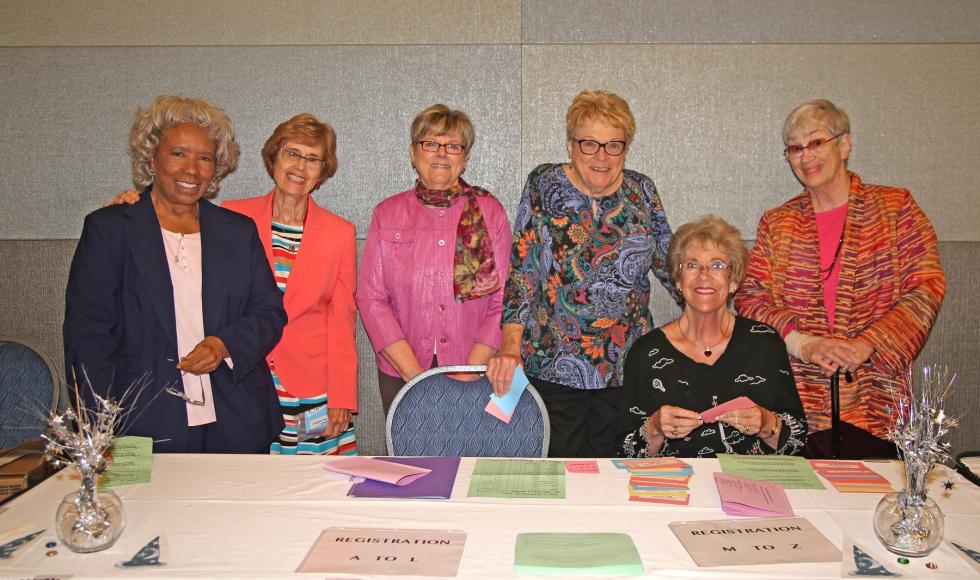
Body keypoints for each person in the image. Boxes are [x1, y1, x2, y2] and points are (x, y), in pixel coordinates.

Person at [110, 113, 358, 455]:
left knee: (311, 486)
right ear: (273, 159)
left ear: (323, 172)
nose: (300, 166)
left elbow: (342, 320)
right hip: (240, 379)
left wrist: (342, 396)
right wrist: (133, 204)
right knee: (250, 483)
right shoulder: (231, 217)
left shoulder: (340, 233)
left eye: (313, 158)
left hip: (310, 385)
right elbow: (169, 217)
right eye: (292, 153)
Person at [64, 95, 287, 453]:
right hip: (139, 423)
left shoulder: (237, 232)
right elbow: (89, 337)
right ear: (152, 159)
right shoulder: (111, 230)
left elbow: (269, 313)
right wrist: (97, 426)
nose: (192, 170)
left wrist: (223, 344)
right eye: (178, 154)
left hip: (234, 419)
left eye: (205, 158)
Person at [735, 99, 946, 459]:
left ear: (844, 145)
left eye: (816, 142)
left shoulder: (895, 208)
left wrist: (870, 343)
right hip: (798, 398)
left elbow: (926, 285)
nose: (806, 156)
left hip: (876, 397)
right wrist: (803, 343)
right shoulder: (777, 223)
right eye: (795, 149)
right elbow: (750, 299)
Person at [487, 89, 678, 458]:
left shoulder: (642, 191)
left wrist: (715, 325)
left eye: (614, 145)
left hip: (627, 365)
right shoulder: (543, 184)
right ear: (570, 145)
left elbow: (671, 266)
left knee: (619, 475)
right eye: (589, 144)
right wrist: (510, 346)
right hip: (553, 363)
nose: (601, 156)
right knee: (560, 476)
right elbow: (524, 269)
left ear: (626, 148)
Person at [357, 104, 511, 415]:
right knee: (413, 462)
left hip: (477, 370)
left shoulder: (490, 212)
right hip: (401, 372)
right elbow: (371, 299)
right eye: (430, 144)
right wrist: (415, 377)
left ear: (465, 158)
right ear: (413, 153)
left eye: (453, 146)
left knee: (471, 459)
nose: (441, 153)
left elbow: (504, 299)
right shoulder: (386, 214)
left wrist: (468, 372)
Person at [618, 216, 807, 458]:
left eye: (717, 265)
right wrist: (654, 428)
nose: (704, 274)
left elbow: (797, 441)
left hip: (752, 486)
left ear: (734, 280)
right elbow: (625, 453)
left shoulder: (765, 344)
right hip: (677, 487)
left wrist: (767, 423)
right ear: (678, 280)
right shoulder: (645, 351)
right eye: (692, 265)